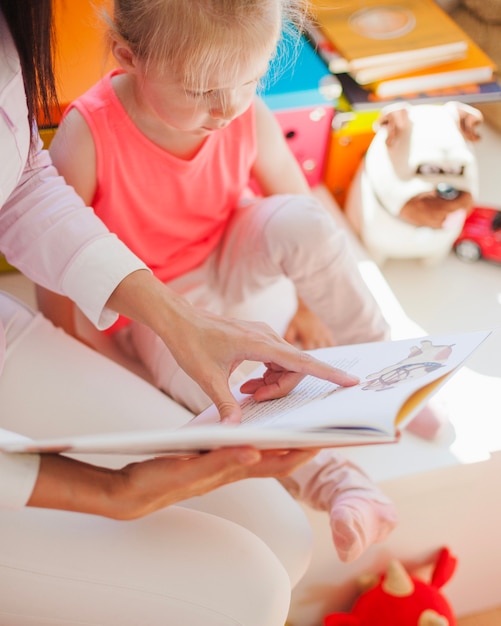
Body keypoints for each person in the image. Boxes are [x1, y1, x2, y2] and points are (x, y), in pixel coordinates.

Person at [0, 1, 385, 624]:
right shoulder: (91, 130)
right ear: (129, 57)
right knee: (215, 392)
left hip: (217, 257)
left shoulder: (236, 108)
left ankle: (389, 363)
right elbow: (58, 295)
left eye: (251, 82)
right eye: (205, 90)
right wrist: (118, 357)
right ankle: (335, 478)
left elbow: (22, 194)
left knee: (308, 224)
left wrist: (311, 307)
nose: (229, 108)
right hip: (150, 297)